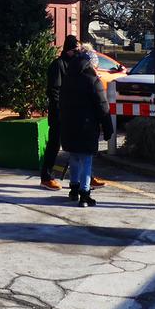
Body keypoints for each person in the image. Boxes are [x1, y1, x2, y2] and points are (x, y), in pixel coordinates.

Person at [59, 46, 113, 207]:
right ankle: (84, 193)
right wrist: (108, 127)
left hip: (69, 125)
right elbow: (102, 106)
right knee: (86, 160)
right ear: (91, 64)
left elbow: (61, 102)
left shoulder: (68, 78)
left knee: (74, 157)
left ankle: (73, 189)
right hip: (87, 126)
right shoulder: (92, 80)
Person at [42, 35, 79, 190]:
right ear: (69, 49)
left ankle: (85, 177)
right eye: (75, 49)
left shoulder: (74, 65)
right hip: (59, 113)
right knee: (54, 144)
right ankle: (46, 176)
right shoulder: (58, 65)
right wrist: (59, 110)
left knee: (79, 146)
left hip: (72, 111)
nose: (77, 52)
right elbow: (54, 91)